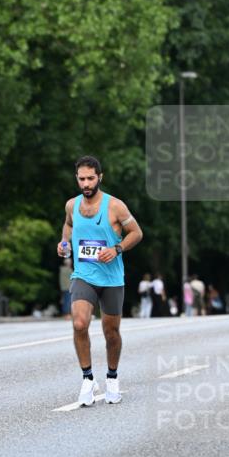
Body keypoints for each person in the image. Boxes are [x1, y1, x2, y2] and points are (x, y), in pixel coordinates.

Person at [57, 155, 143, 406]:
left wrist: (116, 249)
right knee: (80, 323)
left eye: (90, 178)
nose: (86, 183)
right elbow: (68, 227)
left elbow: (136, 233)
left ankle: (112, 377)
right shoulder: (72, 205)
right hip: (84, 274)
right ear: (77, 179)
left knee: (111, 332)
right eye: (81, 179)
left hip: (112, 279)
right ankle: (87, 377)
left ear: (100, 177)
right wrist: (64, 245)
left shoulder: (115, 206)